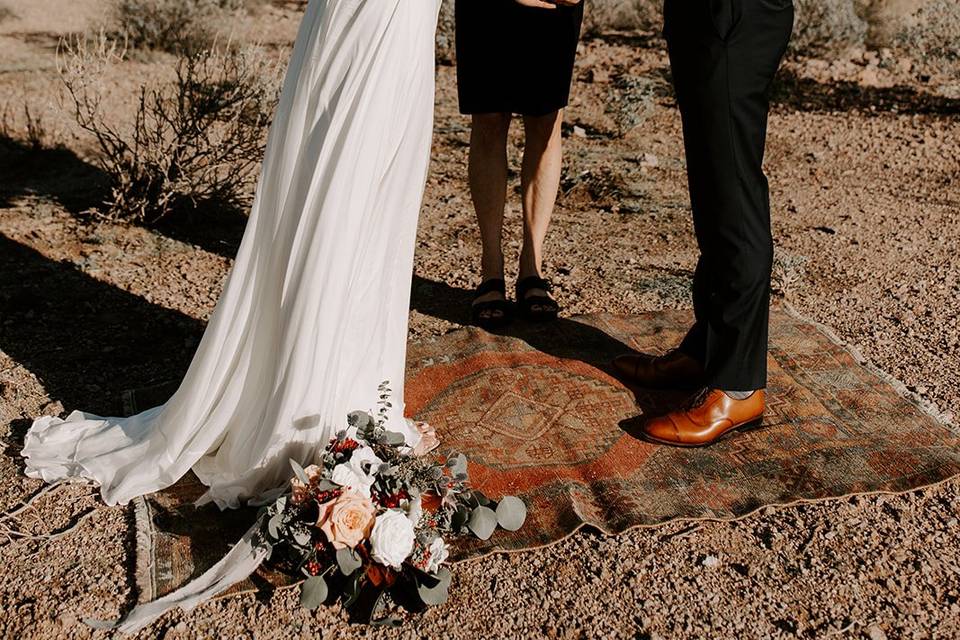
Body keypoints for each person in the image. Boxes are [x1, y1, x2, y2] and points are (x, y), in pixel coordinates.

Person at [22, 0, 443, 511]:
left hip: (412, 21)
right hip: (367, 16)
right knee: (337, 190)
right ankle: (304, 409)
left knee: (379, 203)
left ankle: (358, 394)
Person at [614, 0, 794, 447]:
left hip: (737, 12)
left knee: (732, 185)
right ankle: (707, 348)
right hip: (699, 11)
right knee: (711, 181)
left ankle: (738, 385)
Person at [455, 0, 583, 328]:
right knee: (489, 118)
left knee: (546, 121)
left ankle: (532, 265)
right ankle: (491, 268)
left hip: (555, 6)